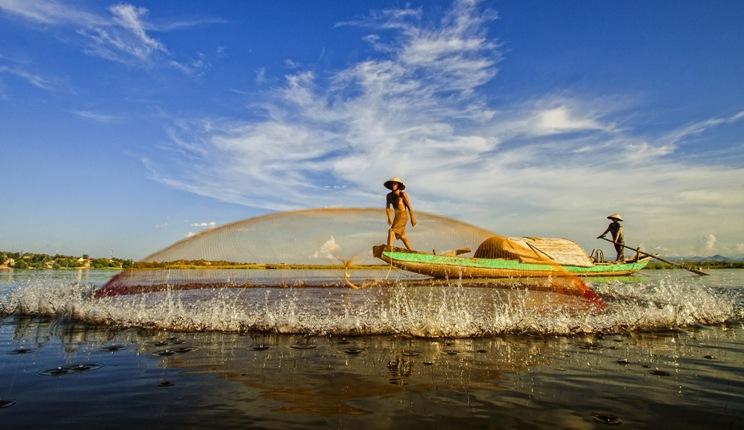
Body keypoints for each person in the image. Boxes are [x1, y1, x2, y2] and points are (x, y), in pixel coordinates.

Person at [384, 177, 416, 250]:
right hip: (396, 216)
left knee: (391, 231)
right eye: (392, 183)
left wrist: (412, 219)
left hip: (403, 216)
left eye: (395, 183)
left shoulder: (402, 195)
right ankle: (411, 251)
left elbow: (409, 207)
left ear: (398, 185)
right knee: (402, 236)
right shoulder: (389, 196)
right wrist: (389, 218)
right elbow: (388, 208)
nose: (393, 185)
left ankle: (389, 249)